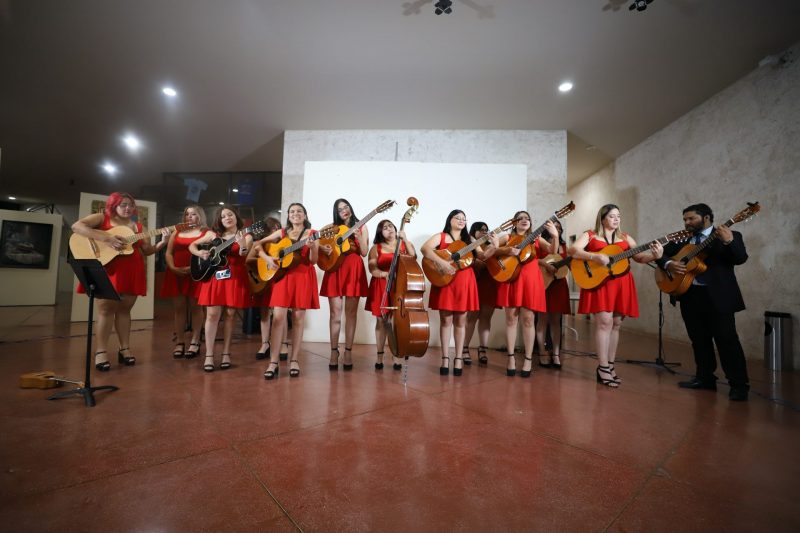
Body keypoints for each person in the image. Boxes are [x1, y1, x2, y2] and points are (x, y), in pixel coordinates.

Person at [656, 203, 750, 401]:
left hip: (718, 297)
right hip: (690, 295)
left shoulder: (729, 235)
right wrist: (668, 263)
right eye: (685, 219)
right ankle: (705, 378)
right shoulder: (684, 238)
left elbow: (741, 258)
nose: (687, 223)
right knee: (699, 340)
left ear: (706, 217)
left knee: (727, 340)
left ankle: (739, 385)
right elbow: (660, 254)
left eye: (691, 218)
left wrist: (729, 241)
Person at [72, 192, 169, 370]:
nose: (128, 208)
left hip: (132, 271)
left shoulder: (139, 227)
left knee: (125, 310)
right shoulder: (102, 218)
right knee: (106, 310)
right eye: (123, 205)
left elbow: (147, 250)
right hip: (108, 270)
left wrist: (162, 243)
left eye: (130, 205)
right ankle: (101, 351)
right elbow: (77, 226)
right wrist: (106, 238)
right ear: (113, 205)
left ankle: (124, 348)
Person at [568, 204, 662, 387]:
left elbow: (639, 257)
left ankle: (610, 366)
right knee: (604, 322)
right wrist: (594, 257)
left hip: (622, 282)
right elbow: (573, 251)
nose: (616, 219)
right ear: (602, 218)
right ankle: (602, 367)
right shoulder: (590, 235)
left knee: (616, 324)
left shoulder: (625, 237)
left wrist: (655, 256)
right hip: (600, 282)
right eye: (612, 216)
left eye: (618, 216)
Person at [254, 203, 320, 380]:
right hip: (282, 277)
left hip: (303, 276)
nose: (295, 214)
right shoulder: (282, 232)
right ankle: (273, 362)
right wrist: (267, 258)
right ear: (288, 216)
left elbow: (313, 261)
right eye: (292, 211)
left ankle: (294, 360)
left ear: (305, 215)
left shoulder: (313, 234)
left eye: (299, 211)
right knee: (278, 318)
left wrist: (313, 247)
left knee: (298, 319)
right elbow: (258, 244)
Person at [492, 211, 557, 378]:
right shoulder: (507, 237)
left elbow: (552, 250)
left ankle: (528, 359)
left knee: (528, 319)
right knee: (511, 319)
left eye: (527, 218)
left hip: (530, 279)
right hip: (511, 277)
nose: (524, 220)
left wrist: (555, 236)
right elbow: (492, 251)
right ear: (514, 222)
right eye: (520, 218)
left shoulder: (536, 238)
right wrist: (508, 250)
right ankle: (511, 358)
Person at [189, 205, 253, 372]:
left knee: (230, 315)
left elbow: (244, 254)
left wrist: (242, 244)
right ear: (219, 220)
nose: (227, 218)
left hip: (235, 276)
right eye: (223, 216)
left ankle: (226, 353)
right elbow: (192, 245)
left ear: (236, 217)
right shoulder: (213, 235)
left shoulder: (246, 235)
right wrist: (200, 254)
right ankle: (209, 355)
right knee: (212, 315)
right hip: (215, 277)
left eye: (230, 215)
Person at [421, 210, 480, 377]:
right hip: (445, 279)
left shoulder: (470, 240)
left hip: (464, 281)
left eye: (464, 219)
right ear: (450, 220)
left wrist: (495, 243)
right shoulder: (441, 236)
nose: (461, 220)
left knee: (461, 321)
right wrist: (442, 263)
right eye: (458, 217)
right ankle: (445, 358)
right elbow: (425, 249)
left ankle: (458, 358)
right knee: (446, 320)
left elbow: (483, 255)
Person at [319, 198, 369, 371]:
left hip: (353, 268)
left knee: (351, 313)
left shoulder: (361, 226)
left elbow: (364, 252)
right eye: (340, 209)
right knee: (335, 314)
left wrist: (359, 236)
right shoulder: (331, 228)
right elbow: (317, 241)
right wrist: (323, 248)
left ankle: (348, 351)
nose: (344, 210)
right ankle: (334, 352)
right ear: (336, 213)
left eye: (346, 207)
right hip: (334, 268)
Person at [364, 219, 417, 370]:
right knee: (382, 321)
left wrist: (405, 239)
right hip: (382, 285)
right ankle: (379, 356)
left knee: (397, 322)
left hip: (400, 286)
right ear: (380, 233)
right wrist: (383, 274)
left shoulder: (405, 244)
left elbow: (413, 259)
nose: (389, 229)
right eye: (384, 228)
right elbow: (372, 268)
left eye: (390, 226)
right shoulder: (376, 248)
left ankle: (396, 354)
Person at [161, 205, 209, 359]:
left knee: (196, 308)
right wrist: (172, 267)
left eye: (193, 214)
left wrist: (193, 268)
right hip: (175, 272)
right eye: (187, 214)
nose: (189, 217)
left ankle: (195, 341)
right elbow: (169, 253)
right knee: (179, 308)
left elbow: (209, 254)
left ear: (200, 215)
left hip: (196, 273)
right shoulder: (177, 231)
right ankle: (180, 341)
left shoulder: (206, 232)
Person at [247, 216, 287, 361]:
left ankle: (283, 344)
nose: (276, 229)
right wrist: (265, 260)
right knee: (264, 312)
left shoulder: (285, 242)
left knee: (280, 313)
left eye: (278, 227)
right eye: (273, 227)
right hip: (264, 281)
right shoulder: (260, 243)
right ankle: (265, 344)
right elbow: (248, 260)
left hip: (279, 280)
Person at [535, 219, 571, 369]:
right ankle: (542, 352)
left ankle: (556, 353)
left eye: (559, 227)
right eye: (554, 227)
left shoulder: (564, 246)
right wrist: (545, 265)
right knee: (542, 319)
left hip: (558, 284)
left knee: (556, 321)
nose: (557, 229)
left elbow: (568, 264)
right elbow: (533, 259)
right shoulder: (539, 242)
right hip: (543, 283)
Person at [463, 221, 498, 366]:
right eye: (481, 229)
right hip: (476, 282)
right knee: (471, 317)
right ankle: (464, 348)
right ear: (473, 231)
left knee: (486, 317)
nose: (484, 232)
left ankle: (483, 349)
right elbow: (474, 261)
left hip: (490, 282)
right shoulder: (469, 244)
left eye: (486, 229)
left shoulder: (492, 245)